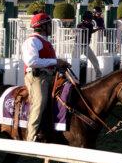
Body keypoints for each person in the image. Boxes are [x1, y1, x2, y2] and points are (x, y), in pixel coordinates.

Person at [21, 12, 69, 142]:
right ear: (42, 27)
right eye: (49, 25)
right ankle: (31, 137)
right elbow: (31, 61)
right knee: (40, 102)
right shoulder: (31, 41)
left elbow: (49, 61)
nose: (51, 28)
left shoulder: (45, 42)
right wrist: (55, 62)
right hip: (37, 77)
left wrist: (60, 64)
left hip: (50, 76)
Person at [77, 11, 102, 77]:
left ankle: (98, 74)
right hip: (78, 46)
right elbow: (78, 28)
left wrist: (97, 29)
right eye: (89, 18)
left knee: (94, 60)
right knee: (75, 60)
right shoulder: (80, 24)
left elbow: (91, 31)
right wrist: (82, 28)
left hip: (86, 46)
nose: (90, 20)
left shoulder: (90, 25)